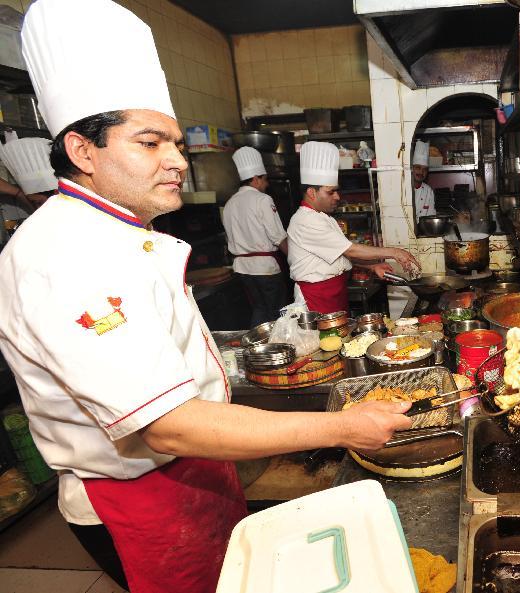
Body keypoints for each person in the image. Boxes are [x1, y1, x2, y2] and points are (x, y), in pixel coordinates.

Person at [0, 2, 412, 592]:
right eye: (149, 143)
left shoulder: (117, 232)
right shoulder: (67, 254)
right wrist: (342, 427)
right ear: (83, 151)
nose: (177, 161)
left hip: (193, 472)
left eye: (174, 142)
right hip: (138, 496)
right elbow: (168, 427)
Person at [287, 141, 420, 314]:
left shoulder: (323, 217)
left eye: (337, 191)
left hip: (333, 293)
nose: (337, 197)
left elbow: (340, 253)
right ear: (312, 193)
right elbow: (351, 250)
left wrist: (372, 266)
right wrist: (394, 252)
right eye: (330, 192)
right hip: (315, 298)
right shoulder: (306, 221)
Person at [222, 146, 288, 326]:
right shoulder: (263, 200)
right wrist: (294, 260)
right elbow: (278, 236)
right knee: (277, 315)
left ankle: (256, 341)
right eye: (265, 179)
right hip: (266, 269)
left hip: (242, 269)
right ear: (256, 178)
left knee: (259, 309)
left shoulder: (229, 204)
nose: (266, 184)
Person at [412, 140, 435, 222]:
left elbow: (431, 216)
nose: (421, 172)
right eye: (418, 167)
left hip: (423, 229)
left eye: (424, 169)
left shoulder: (428, 191)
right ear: (412, 168)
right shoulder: (401, 188)